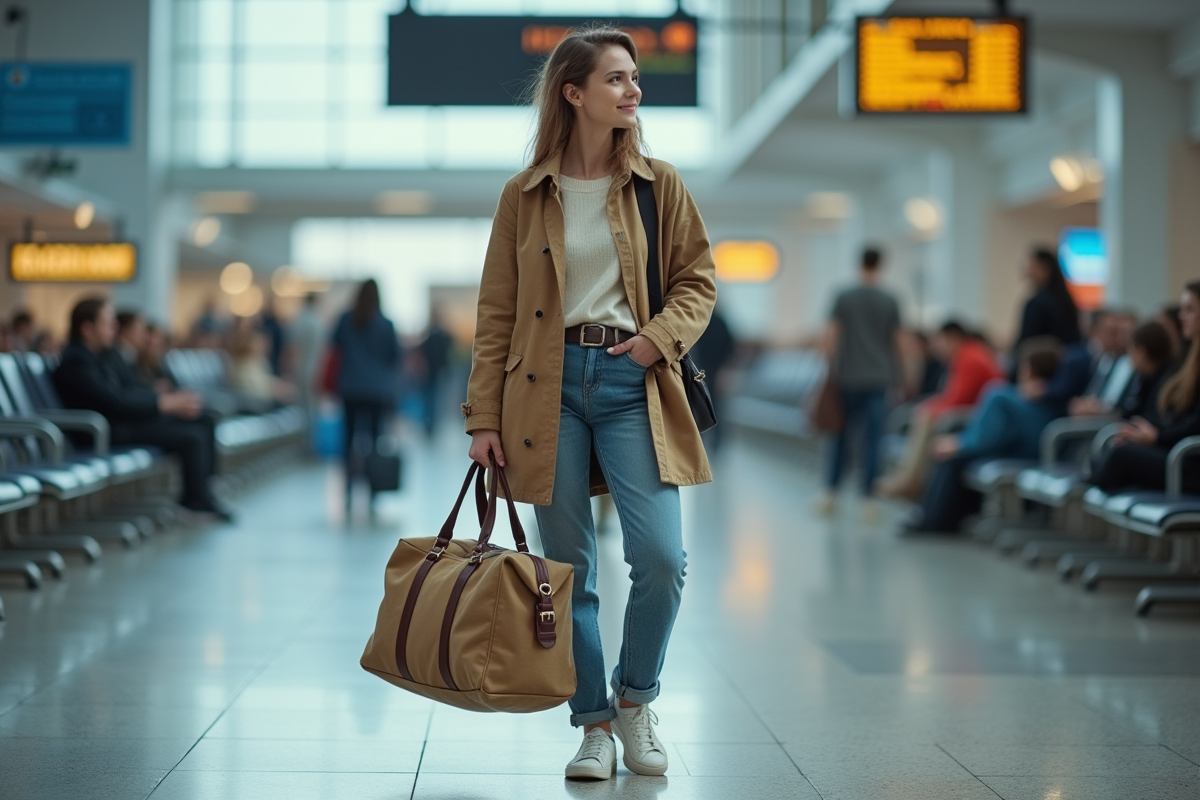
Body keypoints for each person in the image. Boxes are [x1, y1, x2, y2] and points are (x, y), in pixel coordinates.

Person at [463, 27, 716, 781]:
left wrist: (654, 340)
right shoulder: (525, 193)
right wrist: (482, 417)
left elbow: (698, 281)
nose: (633, 90)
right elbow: (495, 314)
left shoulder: (656, 184)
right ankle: (594, 727)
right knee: (566, 572)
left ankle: (636, 700)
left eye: (635, 78)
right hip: (543, 392)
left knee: (662, 559)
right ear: (574, 93)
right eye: (616, 79)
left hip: (632, 380)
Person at [52, 297, 231, 521]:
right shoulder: (77, 361)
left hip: (119, 424)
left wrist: (164, 401)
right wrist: (163, 403)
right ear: (87, 329)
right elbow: (113, 401)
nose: (114, 329)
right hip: (101, 432)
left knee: (203, 420)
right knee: (191, 436)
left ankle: (205, 492)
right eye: (107, 323)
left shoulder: (100, 356)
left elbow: (128, 391)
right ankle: (194, 502)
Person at [901, 337, 1064, 534]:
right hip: (1037, 454)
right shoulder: (1055, 404)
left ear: (1027, 369)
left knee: (953, 459)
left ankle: (933, 520)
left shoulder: (1002, 396)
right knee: (956, 458)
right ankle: (937, 517)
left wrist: (958, 444)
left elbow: (986, 437)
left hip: (1016, 454)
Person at [1092, 282, 1200, 494]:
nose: (1182, 317)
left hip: (1188, 460)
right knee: (1118, 446)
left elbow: (1197, 423)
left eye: (1189, 309)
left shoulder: (1182, 363)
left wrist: (1157, 437)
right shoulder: (1189, 359)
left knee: (1119, 456)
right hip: (1179, 452)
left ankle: (1087, 487)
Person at [817, 246, 901, 517]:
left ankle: (831, 493)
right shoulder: (890, 300)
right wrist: (903, 376)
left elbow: (831, 337)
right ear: (881, 265)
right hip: (879, 377)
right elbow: (898, 341)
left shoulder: (843, 296)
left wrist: (829, 370)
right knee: (874, 439)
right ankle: (869, 499)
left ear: (859, 263)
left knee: (840, 435)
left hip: (847, 377)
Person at [877, 321, 1003, 500]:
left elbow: (960, 399)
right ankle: (909, 479)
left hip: (977, 417)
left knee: (928, 416)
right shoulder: (967, 355)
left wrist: (930, 409)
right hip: (973, 413)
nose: (936, 347)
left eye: (940, 341)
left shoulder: (970, 358)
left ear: (953, 338)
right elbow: (952, 396)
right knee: (926, 412)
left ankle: (911, 481)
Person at [332, 279, 401, 512]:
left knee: (348, 440)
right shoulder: (386, 324)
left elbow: (335, 346)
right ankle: (373, 490)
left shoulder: (346, 319)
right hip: (376, 391)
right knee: (373, 442)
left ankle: (349, 488)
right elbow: (394, 357)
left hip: (350, 388)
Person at [1010, 248, 1081, 374]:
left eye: (1030, 265)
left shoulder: (1037, 303)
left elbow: (1025, 343)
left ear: (1044, 268)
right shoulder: (1066, 300)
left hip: (1039, 374)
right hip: (1063, 375)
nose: (1026, 271)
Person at [228, 326, 294, 406]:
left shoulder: (260, 362)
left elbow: (266, 380)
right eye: (259, 344)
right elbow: (254, 389)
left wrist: (280, 385)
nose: (264, 347)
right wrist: (276, 390)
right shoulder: (244, 364)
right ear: (250, 345)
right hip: (251, 405)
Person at [288, 293, 325, 430]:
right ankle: (309, 439)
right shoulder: (318, 322)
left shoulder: (300, 321)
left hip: (301, 368)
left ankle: (302, 439)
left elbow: (292, 348)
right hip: (316, 368)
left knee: (301, 406)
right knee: (312, 407)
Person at [417, 310, 454, 438]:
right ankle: (429, 424)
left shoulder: (438, 336)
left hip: (435, 372)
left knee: (433, 400)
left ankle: (431, 424)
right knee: (431, 400)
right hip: (429, 373)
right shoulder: (431, 336)